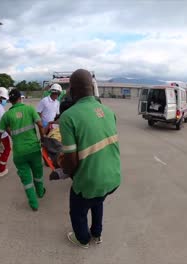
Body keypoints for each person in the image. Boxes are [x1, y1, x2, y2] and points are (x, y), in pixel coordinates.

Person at [59, 69, 121, 248]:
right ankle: (97, 233)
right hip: (113, 178)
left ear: (72, 90)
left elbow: (70, 162)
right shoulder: (109, 112)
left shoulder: (68, 117)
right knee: (97, 200)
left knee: (78, 211)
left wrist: (64, 171)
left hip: (90, 182)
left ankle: (83, 239)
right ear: (92, 89)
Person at [0, 89, 46, 211]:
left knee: (26, 179)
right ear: (20, 98)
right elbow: (40, 125)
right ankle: (40, 192)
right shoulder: (29, 109)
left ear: (10, 101)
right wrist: (43, 139)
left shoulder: (7, 115)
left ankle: (34, 204)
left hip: (19, 153)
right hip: (33, 149)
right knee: (38, 172)